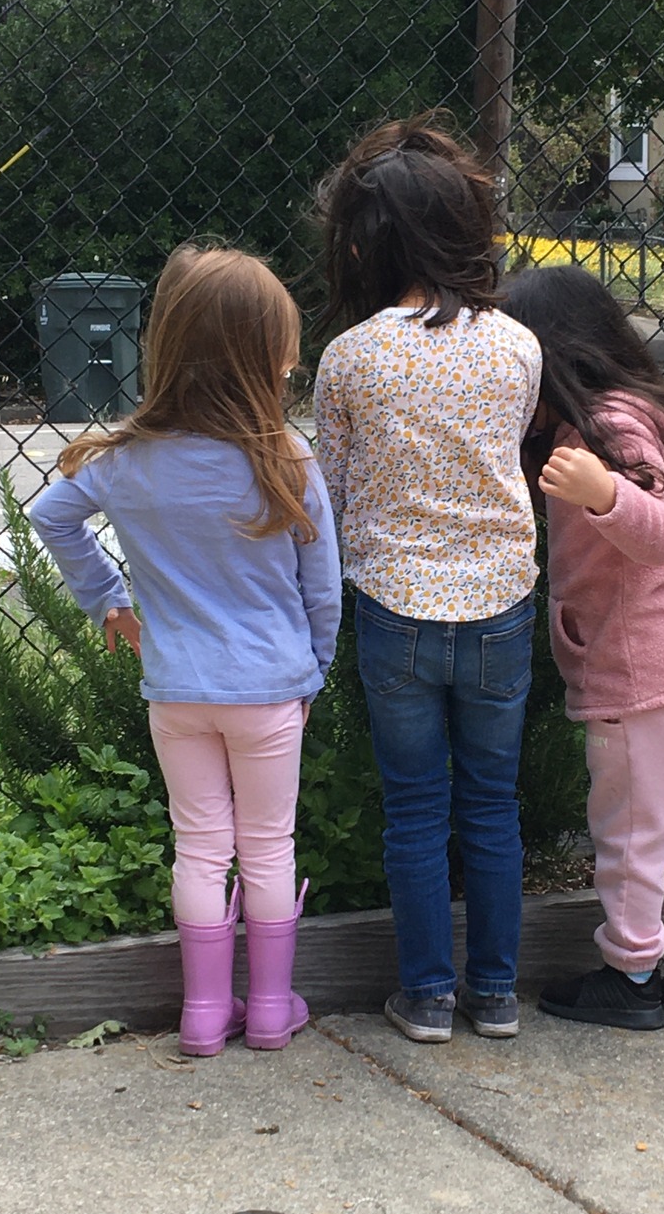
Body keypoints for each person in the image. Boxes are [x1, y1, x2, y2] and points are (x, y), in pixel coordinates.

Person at [29, 245, 341, 1057]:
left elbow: (49, 517)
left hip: (176, 688)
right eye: (286, 346)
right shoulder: (287, 460)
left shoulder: (127, 460)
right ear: (262, 357)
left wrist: (108, 600)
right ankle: (270, 1009)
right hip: (272, 689)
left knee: (200, 845)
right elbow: (324, 590)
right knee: (270, 845)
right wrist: (315, 668)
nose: (295, 359)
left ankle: (203, 1015)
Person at [314, 118, 541, 1044]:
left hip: (394, 607)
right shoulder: (517, 345)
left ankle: (427, 996)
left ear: (367, 243)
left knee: (415, 807)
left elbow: (327, 488)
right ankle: (496, 994)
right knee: (492, 802)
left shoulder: (352, 357)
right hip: (501, 606)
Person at [503, 261, 664, 1031]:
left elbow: (661, 532)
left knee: (632, 835)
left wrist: (604, 493)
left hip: (642, 674)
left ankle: (633, 968)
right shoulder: (637, 407)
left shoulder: (607, 427)